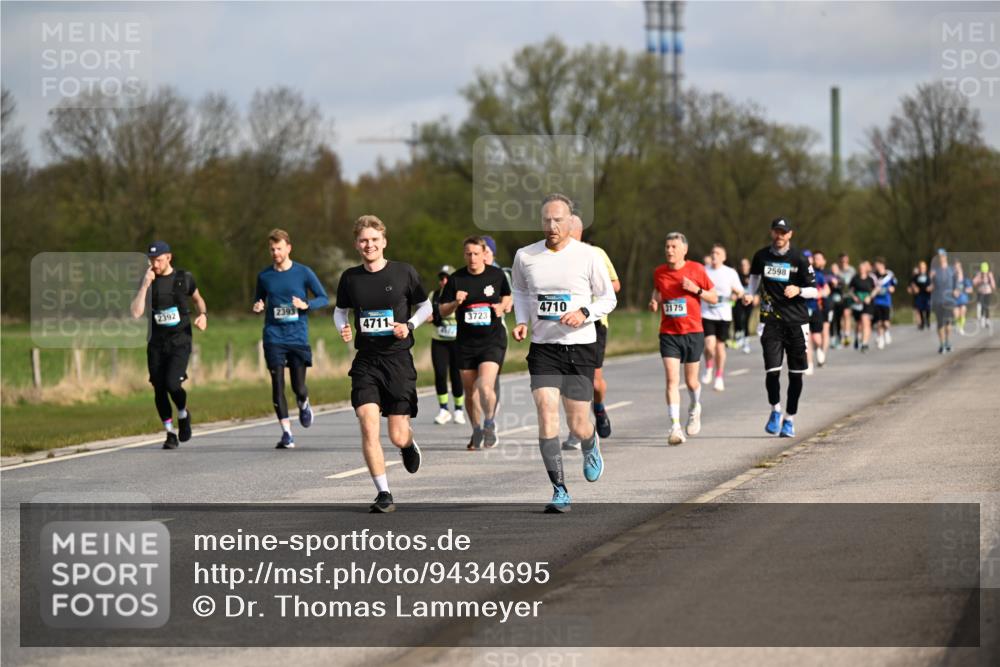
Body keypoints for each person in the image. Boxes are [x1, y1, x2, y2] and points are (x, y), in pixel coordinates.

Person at [511, 193, 617, 513]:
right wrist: (520, 320)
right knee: (546, 414)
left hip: (580, 347)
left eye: (559, 220)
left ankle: (590, 442)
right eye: (547, 220)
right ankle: (559, 489)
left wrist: (584, 312)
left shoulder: (587, 256)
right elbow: (519, 289)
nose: (552, 225)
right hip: (543, 348)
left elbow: (608, 298)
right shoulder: (525, 256)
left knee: (578, 423)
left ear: (571, 222)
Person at [334, 215, 431, 513]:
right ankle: (384, 493)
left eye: (374, 240)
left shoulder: (404, 273)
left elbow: (426, 305)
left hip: (398, 360)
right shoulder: (350, 278)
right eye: (364, 240)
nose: (369, 245)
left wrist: (410, 325)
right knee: (367, 424)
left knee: (397, 434)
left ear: (384, 242)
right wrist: (343, 327)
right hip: (366, 361)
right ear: (356, 244)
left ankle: (407, 445)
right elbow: (340, 311)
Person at [252, 229, 329, 449]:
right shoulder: (264, 276)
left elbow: (323, 298)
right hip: (274, 336)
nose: (275, 253)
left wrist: (307, 305)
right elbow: (259, 300)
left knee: (299, 387)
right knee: (277, 385)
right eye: (272, 249)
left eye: (279, 248)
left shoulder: (303, 272)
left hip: (297, 336)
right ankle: (287, 433)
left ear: (288, 248)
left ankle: (303, 402)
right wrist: (258, 305)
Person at [742, 218, 817, 438]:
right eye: (776, 232)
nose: (779, 236)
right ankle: (775, 410)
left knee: (795, 375)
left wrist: (798, 290)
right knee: (772, 372)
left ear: (790, 235)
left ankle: (789, 419)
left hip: (796, 323)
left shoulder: (799, 260)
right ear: (771, 233)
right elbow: (754, 281)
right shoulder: (761, 256)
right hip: (770, 321)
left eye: (783, 233)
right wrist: (749, 294)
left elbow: (815, 291)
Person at [130, 241, 208, 449]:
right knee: (159, 388)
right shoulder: (147, 280)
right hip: (156, 343)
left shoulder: (184, 278)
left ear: (168, 258)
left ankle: (183, 414)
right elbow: (136, 313)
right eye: (151, 260)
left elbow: (198, 300)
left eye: (158, 259)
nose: (154, 264)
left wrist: (203, 315)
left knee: (173, 384)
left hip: (180, 340)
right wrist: (145, 284)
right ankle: (170, 433)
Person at [438, 236, 512, 449]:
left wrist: (502, 306)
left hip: (492, 340)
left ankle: (489, 422)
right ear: (464, 255)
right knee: (470, 391)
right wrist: (455, 302)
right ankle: (476, 429)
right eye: (468, 254)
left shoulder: (496, 275)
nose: (472, 258)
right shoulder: (455, 279)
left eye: (476, 254)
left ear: (484, 254)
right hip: (465, 343)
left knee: (485, 385)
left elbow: (508, 296)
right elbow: (442, 310)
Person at [649, 233, 718, 445]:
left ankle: (695, 406)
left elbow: (714, 298)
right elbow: (658, 291)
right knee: (672, 380)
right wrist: (654, 301)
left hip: (692, 332)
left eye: (674, 247)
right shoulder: (659, 272)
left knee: (691, 381)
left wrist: (696, 289)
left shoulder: (697, 269)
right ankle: (675, 427)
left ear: (684, 250)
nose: (669, 250)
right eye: (667, 246)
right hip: (669, 334)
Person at [562, 215, 621, 449]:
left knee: (593, 382)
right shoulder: (556, 257)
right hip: (565, 322)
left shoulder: (596, 253)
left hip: (594, 322)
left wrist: (594, 284)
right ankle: (578, 430)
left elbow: (615, 285)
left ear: (577, 232)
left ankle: (598, 408)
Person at [700, 243, 742, 391]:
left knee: (720, 347)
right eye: (712, 253)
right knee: (709, 345)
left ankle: (719, 376)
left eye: (717, 253)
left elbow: (739, 291)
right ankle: (708, 367)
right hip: (706, 313)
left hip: (724, 315)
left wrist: (737, 295)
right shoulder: (703, 271)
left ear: (723, 257)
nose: (714, 255)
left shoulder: (730, 273)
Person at [428, 266, 466, 425]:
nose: (444, 281)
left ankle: (458, 410)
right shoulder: (434, 295)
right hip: (439, 341)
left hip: (457, 341)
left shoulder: (461, 294)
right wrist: (429, 316)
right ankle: (443, 409)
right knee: (440, 374)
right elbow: (427, 312)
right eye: (441, 278)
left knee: (456, 375)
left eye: (447, 278)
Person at [481, 236, 512, 417]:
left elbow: (510, 300)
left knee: (491, 376)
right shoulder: (472, 273)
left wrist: (503, 305)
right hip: (473, 333)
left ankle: (490, 416)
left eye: (487, 252)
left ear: (492, 253)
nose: (483, 256)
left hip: (495, 332)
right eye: (480, 252)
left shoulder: (502, 274)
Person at [929, 249, 958, 353]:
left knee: (948, 322)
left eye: (942, 256)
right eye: (939, 256)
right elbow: (929, 286)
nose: (940, 258)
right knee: (940, 323)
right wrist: (930, 282)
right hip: (938, 300)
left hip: (949, 300)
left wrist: (956, 291)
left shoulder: (952, 270)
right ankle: (942, 345)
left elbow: (957, 284)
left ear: (945, 257)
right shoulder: (934, 271)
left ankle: (947, 341)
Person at [847, 260, 876, 352]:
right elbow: (850, 291)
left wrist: (870, 297)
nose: (861, 269)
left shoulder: (870, 279)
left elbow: (875, 289)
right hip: (857, 303)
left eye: (863, 268)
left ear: (866, 269)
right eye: (860, 268)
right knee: (859, 323)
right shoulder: (855, 279)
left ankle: (864, 343)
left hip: (867, 303)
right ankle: (858, 337)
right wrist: (854, 297)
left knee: (865, 321)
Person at [811, 250, 832, 366]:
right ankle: (818, 350)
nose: (816, 260)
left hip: (826, 305)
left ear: (824, 260)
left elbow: (829, 288)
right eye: (815, 258)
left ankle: (822, 353)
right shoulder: (810, 272)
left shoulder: (828, 272)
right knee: (815, 334)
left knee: (825, 331)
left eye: (819, 258)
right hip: (813, 306)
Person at [872, 257, 897, 349]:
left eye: (878, 265)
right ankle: (880, 338)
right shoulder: (873, 276)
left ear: (882, 265)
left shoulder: (889, 275)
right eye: (875, 265)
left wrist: (891, 289)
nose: (876, 267)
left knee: (885, 322)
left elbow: (894, 286)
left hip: (886, 301)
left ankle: (886, 331)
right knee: (879, 322)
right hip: (877, 301)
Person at [732, 257, 754, 354]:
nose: (744, 267)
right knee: (738, 319)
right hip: (739, 301)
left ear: (749, 266)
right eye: (742, 265)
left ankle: (746, 343)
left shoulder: (753, 276)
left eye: (745, 265)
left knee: (746, 320)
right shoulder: (737, 276)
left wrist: (757, 295)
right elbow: (732, 287)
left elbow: (757, 287)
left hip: (749, 302)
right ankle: (738, 337)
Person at [836, 253, 857, 348]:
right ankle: (840, 334)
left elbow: (856, 282)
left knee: (846, 314)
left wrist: (854, 294)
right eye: (842, 260)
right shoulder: (836, 270)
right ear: (839, 261)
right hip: (838, 296)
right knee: (839, 317)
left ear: (848, 260)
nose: (843, 262)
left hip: (848, 295)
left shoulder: (852, 270)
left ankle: (847, 335)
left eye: (845, 260)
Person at [908, 261, 932, 330]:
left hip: (927, 295)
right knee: (920, 309)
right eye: (921, 267)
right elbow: (911, 283)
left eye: (923, 267)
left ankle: (927, 319)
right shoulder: (916, 276)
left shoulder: (928, 275)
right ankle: (922, 322)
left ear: (925, 268)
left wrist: (930, 287)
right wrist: (914, 287)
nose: (922, 269)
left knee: (928, 308)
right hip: (919, 295)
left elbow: (933, 284)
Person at [973, 261, 996, 328]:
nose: (984, 272)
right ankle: (982, 319)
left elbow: (993, 284)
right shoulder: (979, 274)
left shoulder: (989, 274)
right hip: (980, 293)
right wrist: (979, 279)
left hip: (988, 293)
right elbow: (974, 282)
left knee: (986, 307)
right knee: (981, 305)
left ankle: (987, 320)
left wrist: (991, 281)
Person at [954, 260, 973, 335]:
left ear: (960, 267)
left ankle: (961, 327)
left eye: (958, 267)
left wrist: (965, 290)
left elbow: (970, 289)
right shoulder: (953, 279)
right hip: (954, 299)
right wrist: (954, 292)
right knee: (956, 314)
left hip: (963, 298)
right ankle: (957, 325)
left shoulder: (965, 278)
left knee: (962, 312)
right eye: (955, 267)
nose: (957, 269)